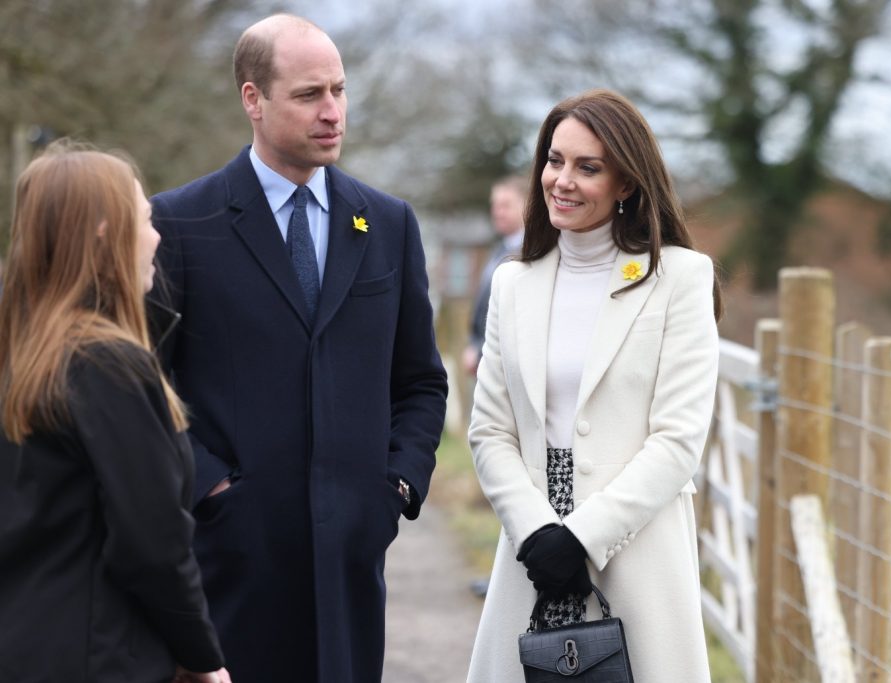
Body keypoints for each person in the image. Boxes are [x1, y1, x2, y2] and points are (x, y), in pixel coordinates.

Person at [149, 13, 448, 683]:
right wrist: (212, 488)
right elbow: (149, 382)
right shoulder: (181, 222)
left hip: (351, 562)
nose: (333, 111)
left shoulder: (388, 223)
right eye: (310, 94)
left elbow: (421, 381)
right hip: (231, 566)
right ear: (252, 99)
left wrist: (396, 483)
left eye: (339, 90)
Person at [466, 89, 723, 682]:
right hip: (533, 551)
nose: (563, 180)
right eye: (555, 161)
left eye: (589, 167)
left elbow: (678, 439)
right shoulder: (513, 284)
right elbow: (490, 432)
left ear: (626, 184)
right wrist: (537, 533)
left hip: (635, 550)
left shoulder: (680, 278)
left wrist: (581, 537)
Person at [0, 142, 230, 683]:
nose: (157, 238)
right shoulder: (107, 366)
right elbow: (152, 544)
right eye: (146, 219)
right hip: (96, 657)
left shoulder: (19, 354)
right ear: (106, 231)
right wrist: (203, 657)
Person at [461, 176, 528, 377]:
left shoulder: (531, 254)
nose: (497, 212)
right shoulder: (499, 249)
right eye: (495, 206)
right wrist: (474, 345)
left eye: (505, 205)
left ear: (527, 206)